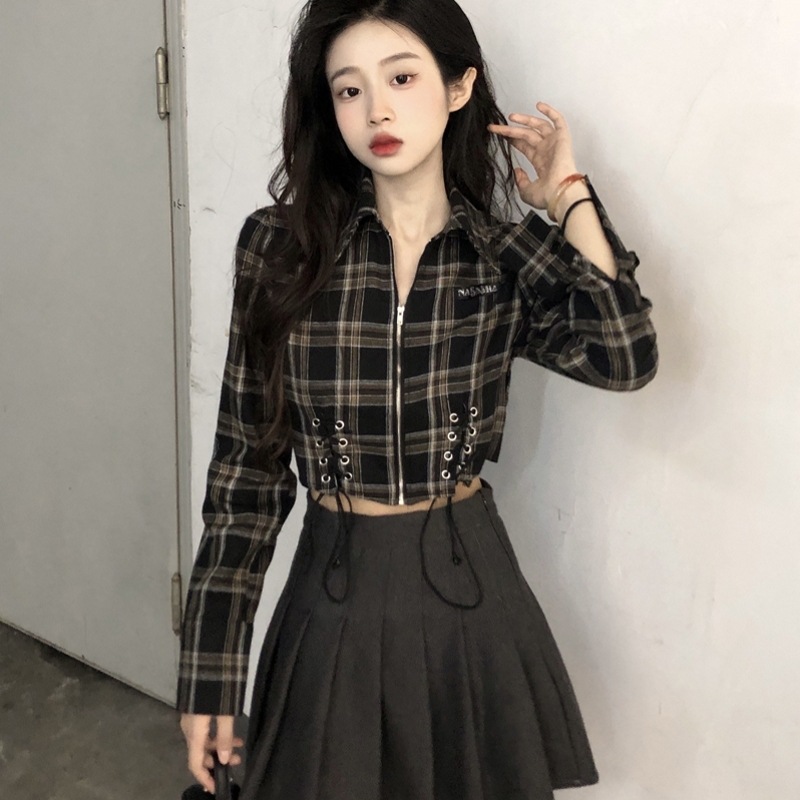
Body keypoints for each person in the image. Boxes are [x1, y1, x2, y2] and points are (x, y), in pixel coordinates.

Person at [176, 0, 658, 797]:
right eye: (349, 89)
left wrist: (570, 196)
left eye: (401, 78)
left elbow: (624, 357)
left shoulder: (502, 255)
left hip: (473, 599)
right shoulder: (282, 248)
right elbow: (245, 478)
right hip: (331, 597)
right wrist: (210, 678)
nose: (377, 110)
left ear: (458, 86)